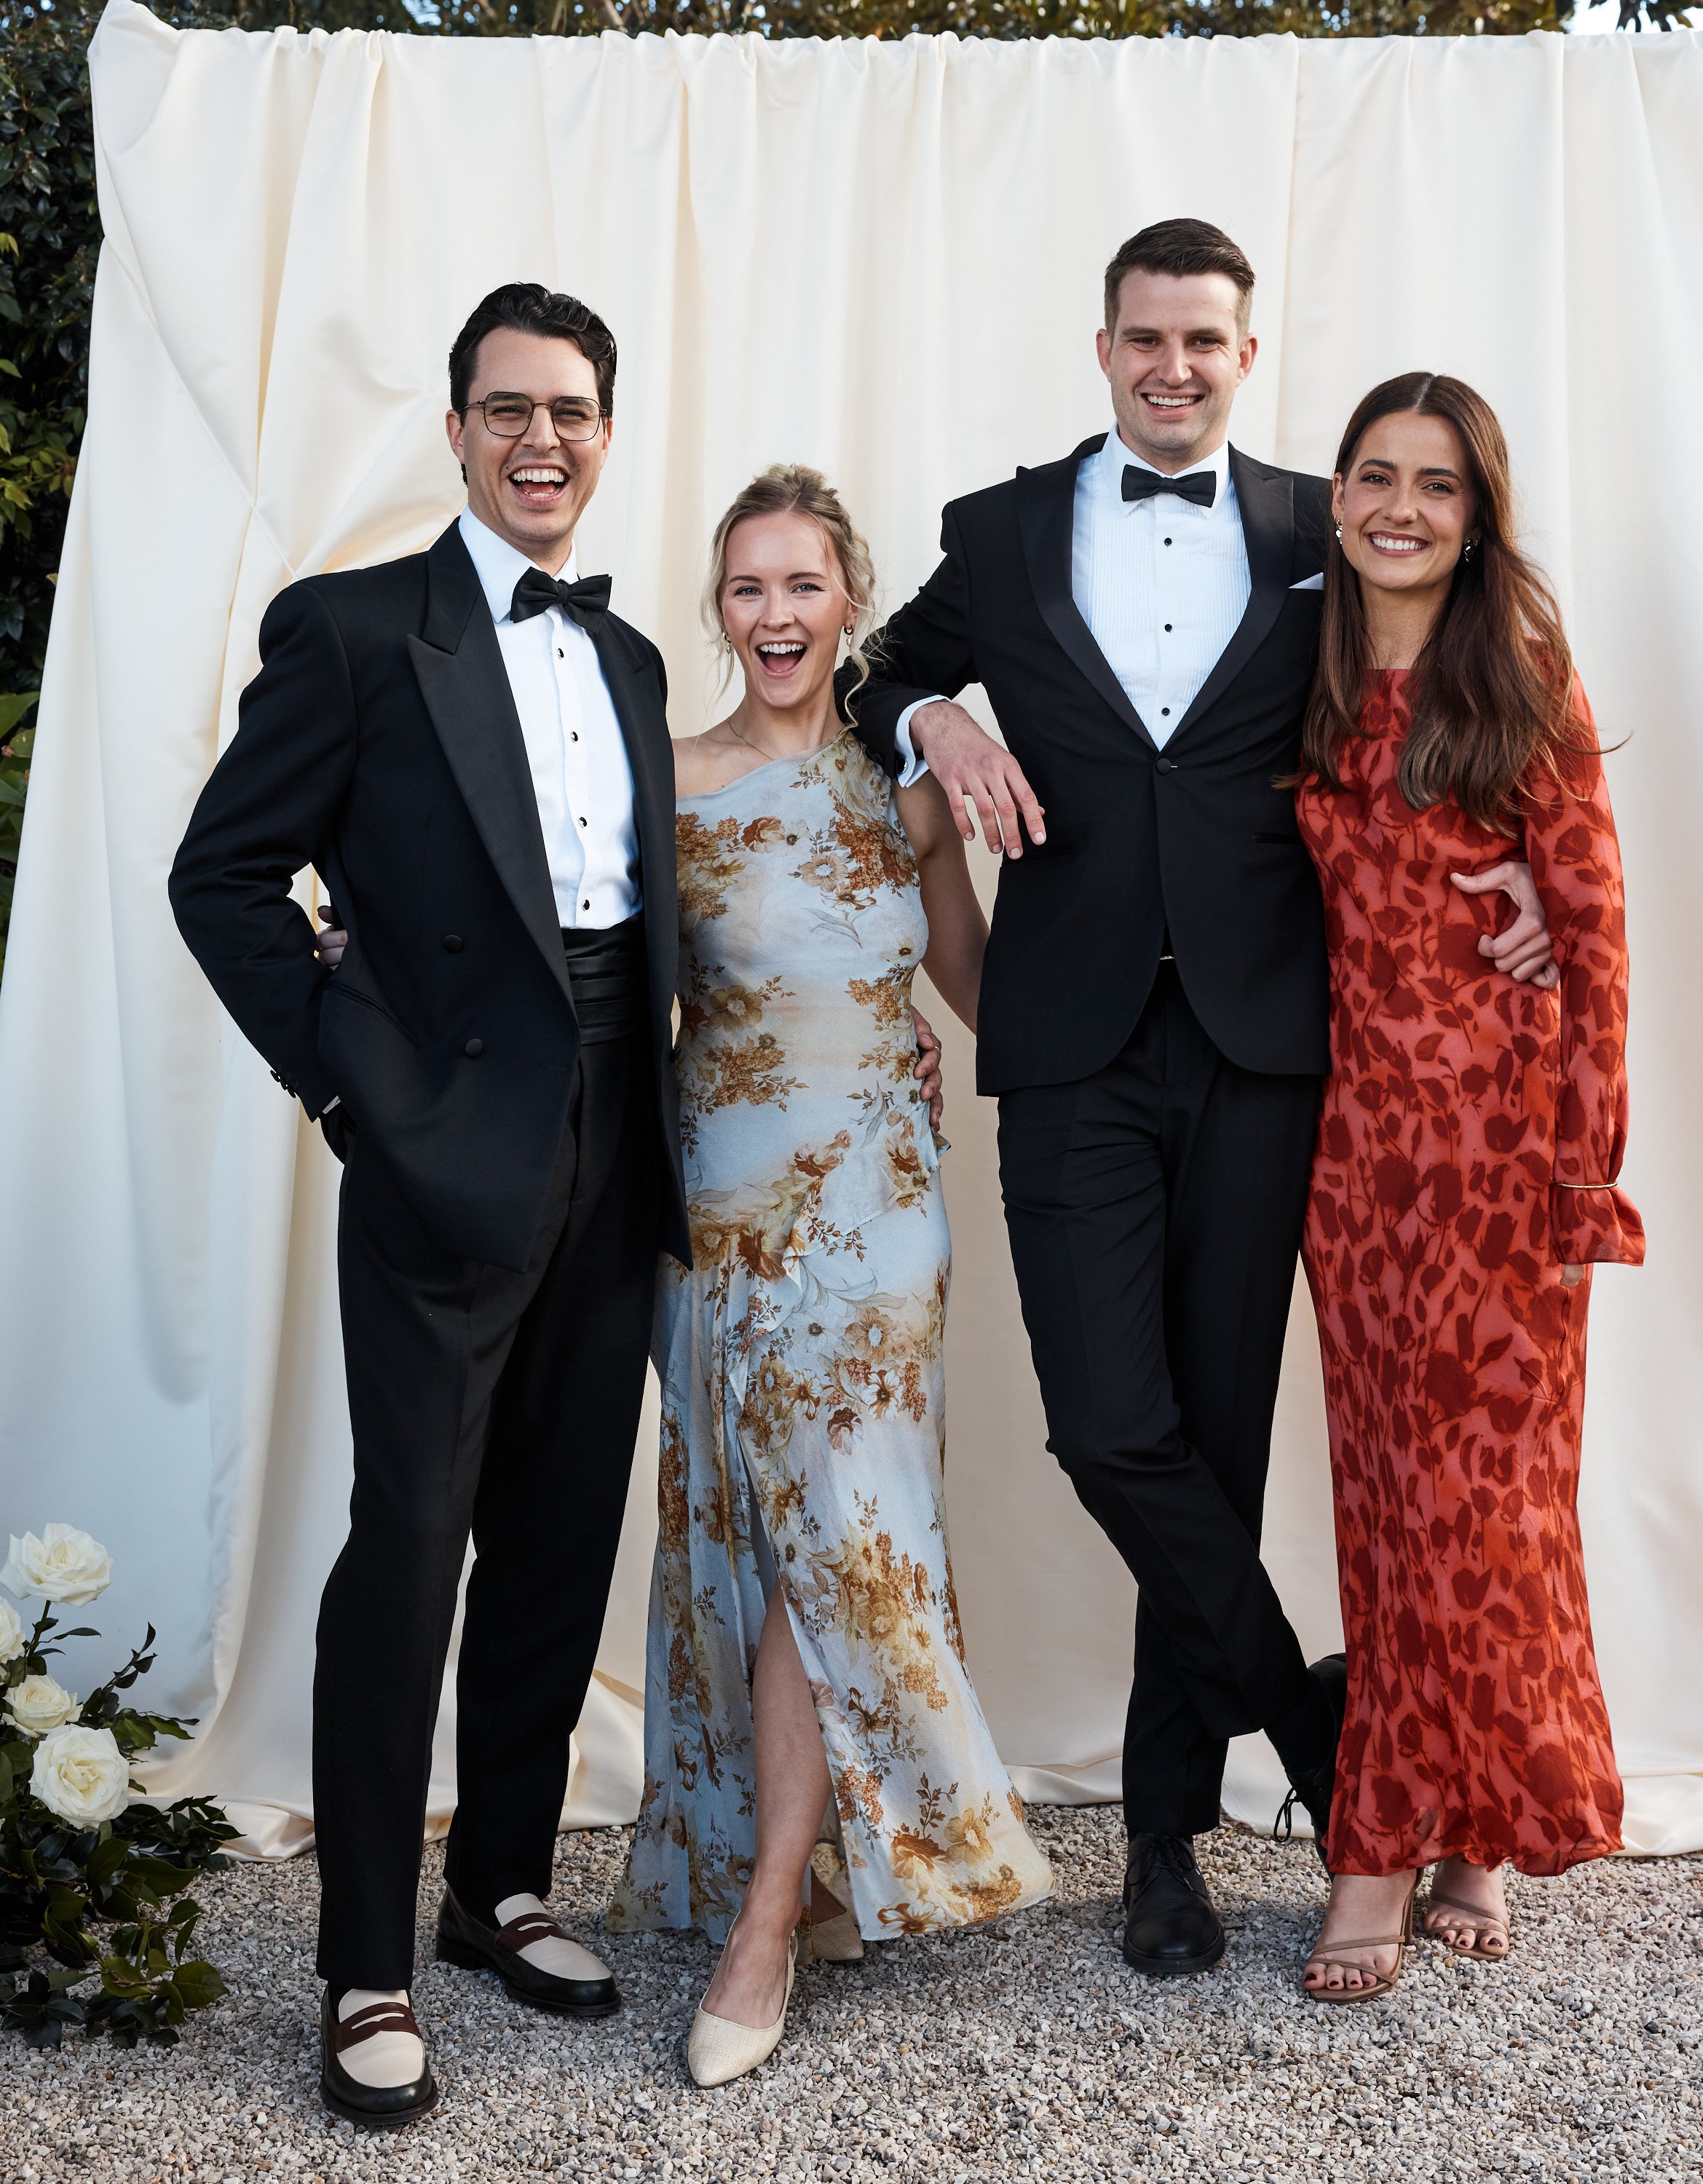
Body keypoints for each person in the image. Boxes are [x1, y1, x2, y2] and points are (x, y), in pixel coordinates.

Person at [831, 218, 1557, 1978]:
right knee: (1109, 1427)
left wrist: (1537, 857)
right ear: (1103, 349)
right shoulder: (1000, 533)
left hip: (1267, 1042)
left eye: (1206, 343)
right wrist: (938, 721)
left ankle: (1166, 1845)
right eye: (1146, 339)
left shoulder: (1329, 523)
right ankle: (1321, 1731)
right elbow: (871, 677)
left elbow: (1475, 667)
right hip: (1069, 1035)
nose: (1175, 367)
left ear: (1247, 353)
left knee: (1215, 1442)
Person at [170, 285, 692, 2127]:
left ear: (606, 434)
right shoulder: (357, 628)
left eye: (570, 410)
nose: (540, 439)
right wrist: (348, 1084)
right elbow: (222, 875)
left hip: (623, 1129)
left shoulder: (627, 664)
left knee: (560, 1538)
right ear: (456, 430)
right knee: (409, 1548)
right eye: (506, 410)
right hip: (443, 1140)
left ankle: (499, 1891)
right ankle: (364, 1967)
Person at [604, 466, 1054, 2087]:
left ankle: (769, 1921)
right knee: (762, 1542)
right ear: (719, 611)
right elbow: (595, 999)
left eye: (803, 585)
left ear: (850, 599)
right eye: (746, 589)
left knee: (835, 1540)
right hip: (722, 1225)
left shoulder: (904, 790)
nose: (776, 616)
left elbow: (985, 996)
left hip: (885, 1228)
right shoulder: (663, 786)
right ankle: (819, 1871)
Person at [1292, 374, 1643, 2002]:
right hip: (1356, 1163)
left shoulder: (1519, 671)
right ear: (1340, 490)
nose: (1404, 510)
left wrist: (1588, 1168)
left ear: (1477, 510)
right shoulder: (1288, 654)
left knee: (1494, 1512)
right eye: (1378, 476)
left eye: (1439, 486)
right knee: (1386, 1504)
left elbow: (1595, 929)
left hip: (1503, 1158)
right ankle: (1419, 1814)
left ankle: (1442, 1834)